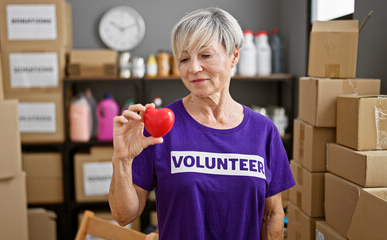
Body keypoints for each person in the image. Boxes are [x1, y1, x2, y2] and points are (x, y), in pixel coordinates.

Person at [109, 7, 295, 240]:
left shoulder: (264, 131)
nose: (193, 68)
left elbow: (272, 215)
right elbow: (123, 216)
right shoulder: (158, 129)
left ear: (234, 56)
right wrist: (123, 161)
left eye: (205, 55)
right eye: (184, 58)